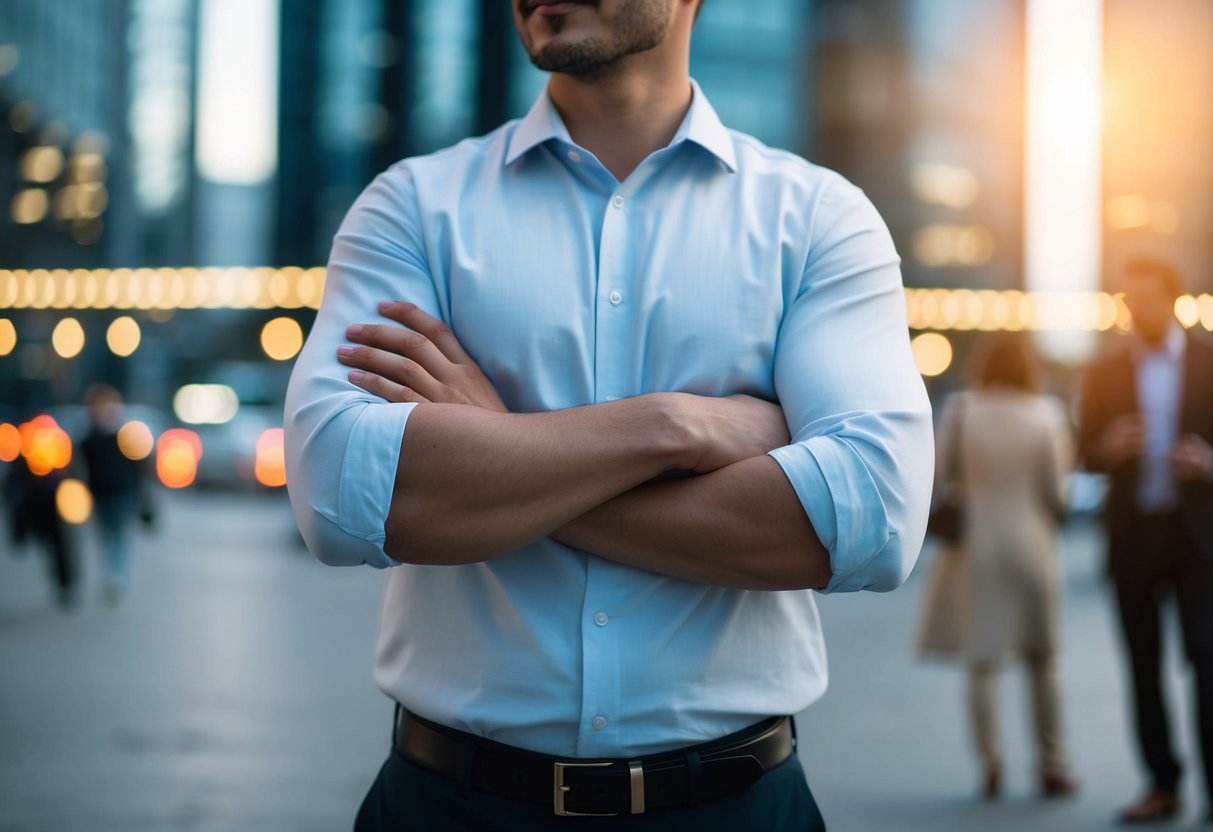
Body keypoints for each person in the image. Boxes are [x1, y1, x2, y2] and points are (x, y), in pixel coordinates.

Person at [284, 1, 933, 827]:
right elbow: (343, 499)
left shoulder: (817, 220)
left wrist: (497, 449)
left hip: (733, 807)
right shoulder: (411, 207)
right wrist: (675, 427)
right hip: (449, 804)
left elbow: (870, 522)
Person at [1078, 258, 1213, 825]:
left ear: (1174, 300)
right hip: (1134, 538)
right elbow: (1081, 450)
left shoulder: (1210, 362)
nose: (1137, 310)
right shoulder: (1105, 371)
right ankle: (1162, 784)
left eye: (1148, 300)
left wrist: (1209, 461)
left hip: (1199, 540)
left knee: (1209, 664)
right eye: (1129, 300)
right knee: (1143, 666)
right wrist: (1104, 447)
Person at [917, 332, 1078, 801]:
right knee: (1043, 657)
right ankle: (1053, 763)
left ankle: (991, 763)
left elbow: (938, 475)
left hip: (976, 545)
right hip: (1032, 542)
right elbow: (1058, 493)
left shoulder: (962, 410)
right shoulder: (1045, 414)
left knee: (983, 659)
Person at [79, 384, 154, 605]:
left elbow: (140, 466)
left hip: (123, 491)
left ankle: (117, 575)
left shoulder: (125, 435)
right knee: (106, 535)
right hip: (99, 493)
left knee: (119, 534)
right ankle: (113, 572)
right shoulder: (89, 438)